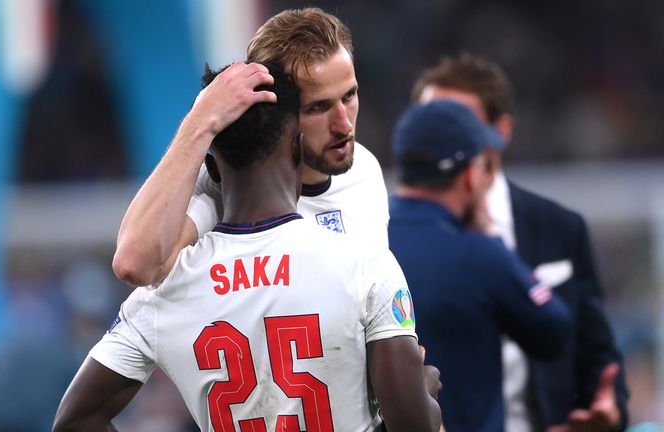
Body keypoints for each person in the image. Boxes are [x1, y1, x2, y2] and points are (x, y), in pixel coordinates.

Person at [53, 64, 442, 432]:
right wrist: (423, 393)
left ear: (214, 169)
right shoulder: (365, 265)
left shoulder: (162, 293)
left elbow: (74, 421)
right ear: (297, 149)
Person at [412, 54, 629, 431]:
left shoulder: (559, 228)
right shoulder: (390, 238)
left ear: (502, 131)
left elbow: (598, 357)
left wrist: (611, 411)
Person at [111, 7, 389, 288]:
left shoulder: (366, 170)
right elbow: (133, 264)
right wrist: (199, 121)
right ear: (276, 111)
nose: (344, 125)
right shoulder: (229, 187)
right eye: (318, 107)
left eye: (349, 96)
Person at [387, 100, 572, 432]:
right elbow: (554, 331)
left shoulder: (365, 239)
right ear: (470, 175)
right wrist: (493, 239)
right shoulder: (480, 255)